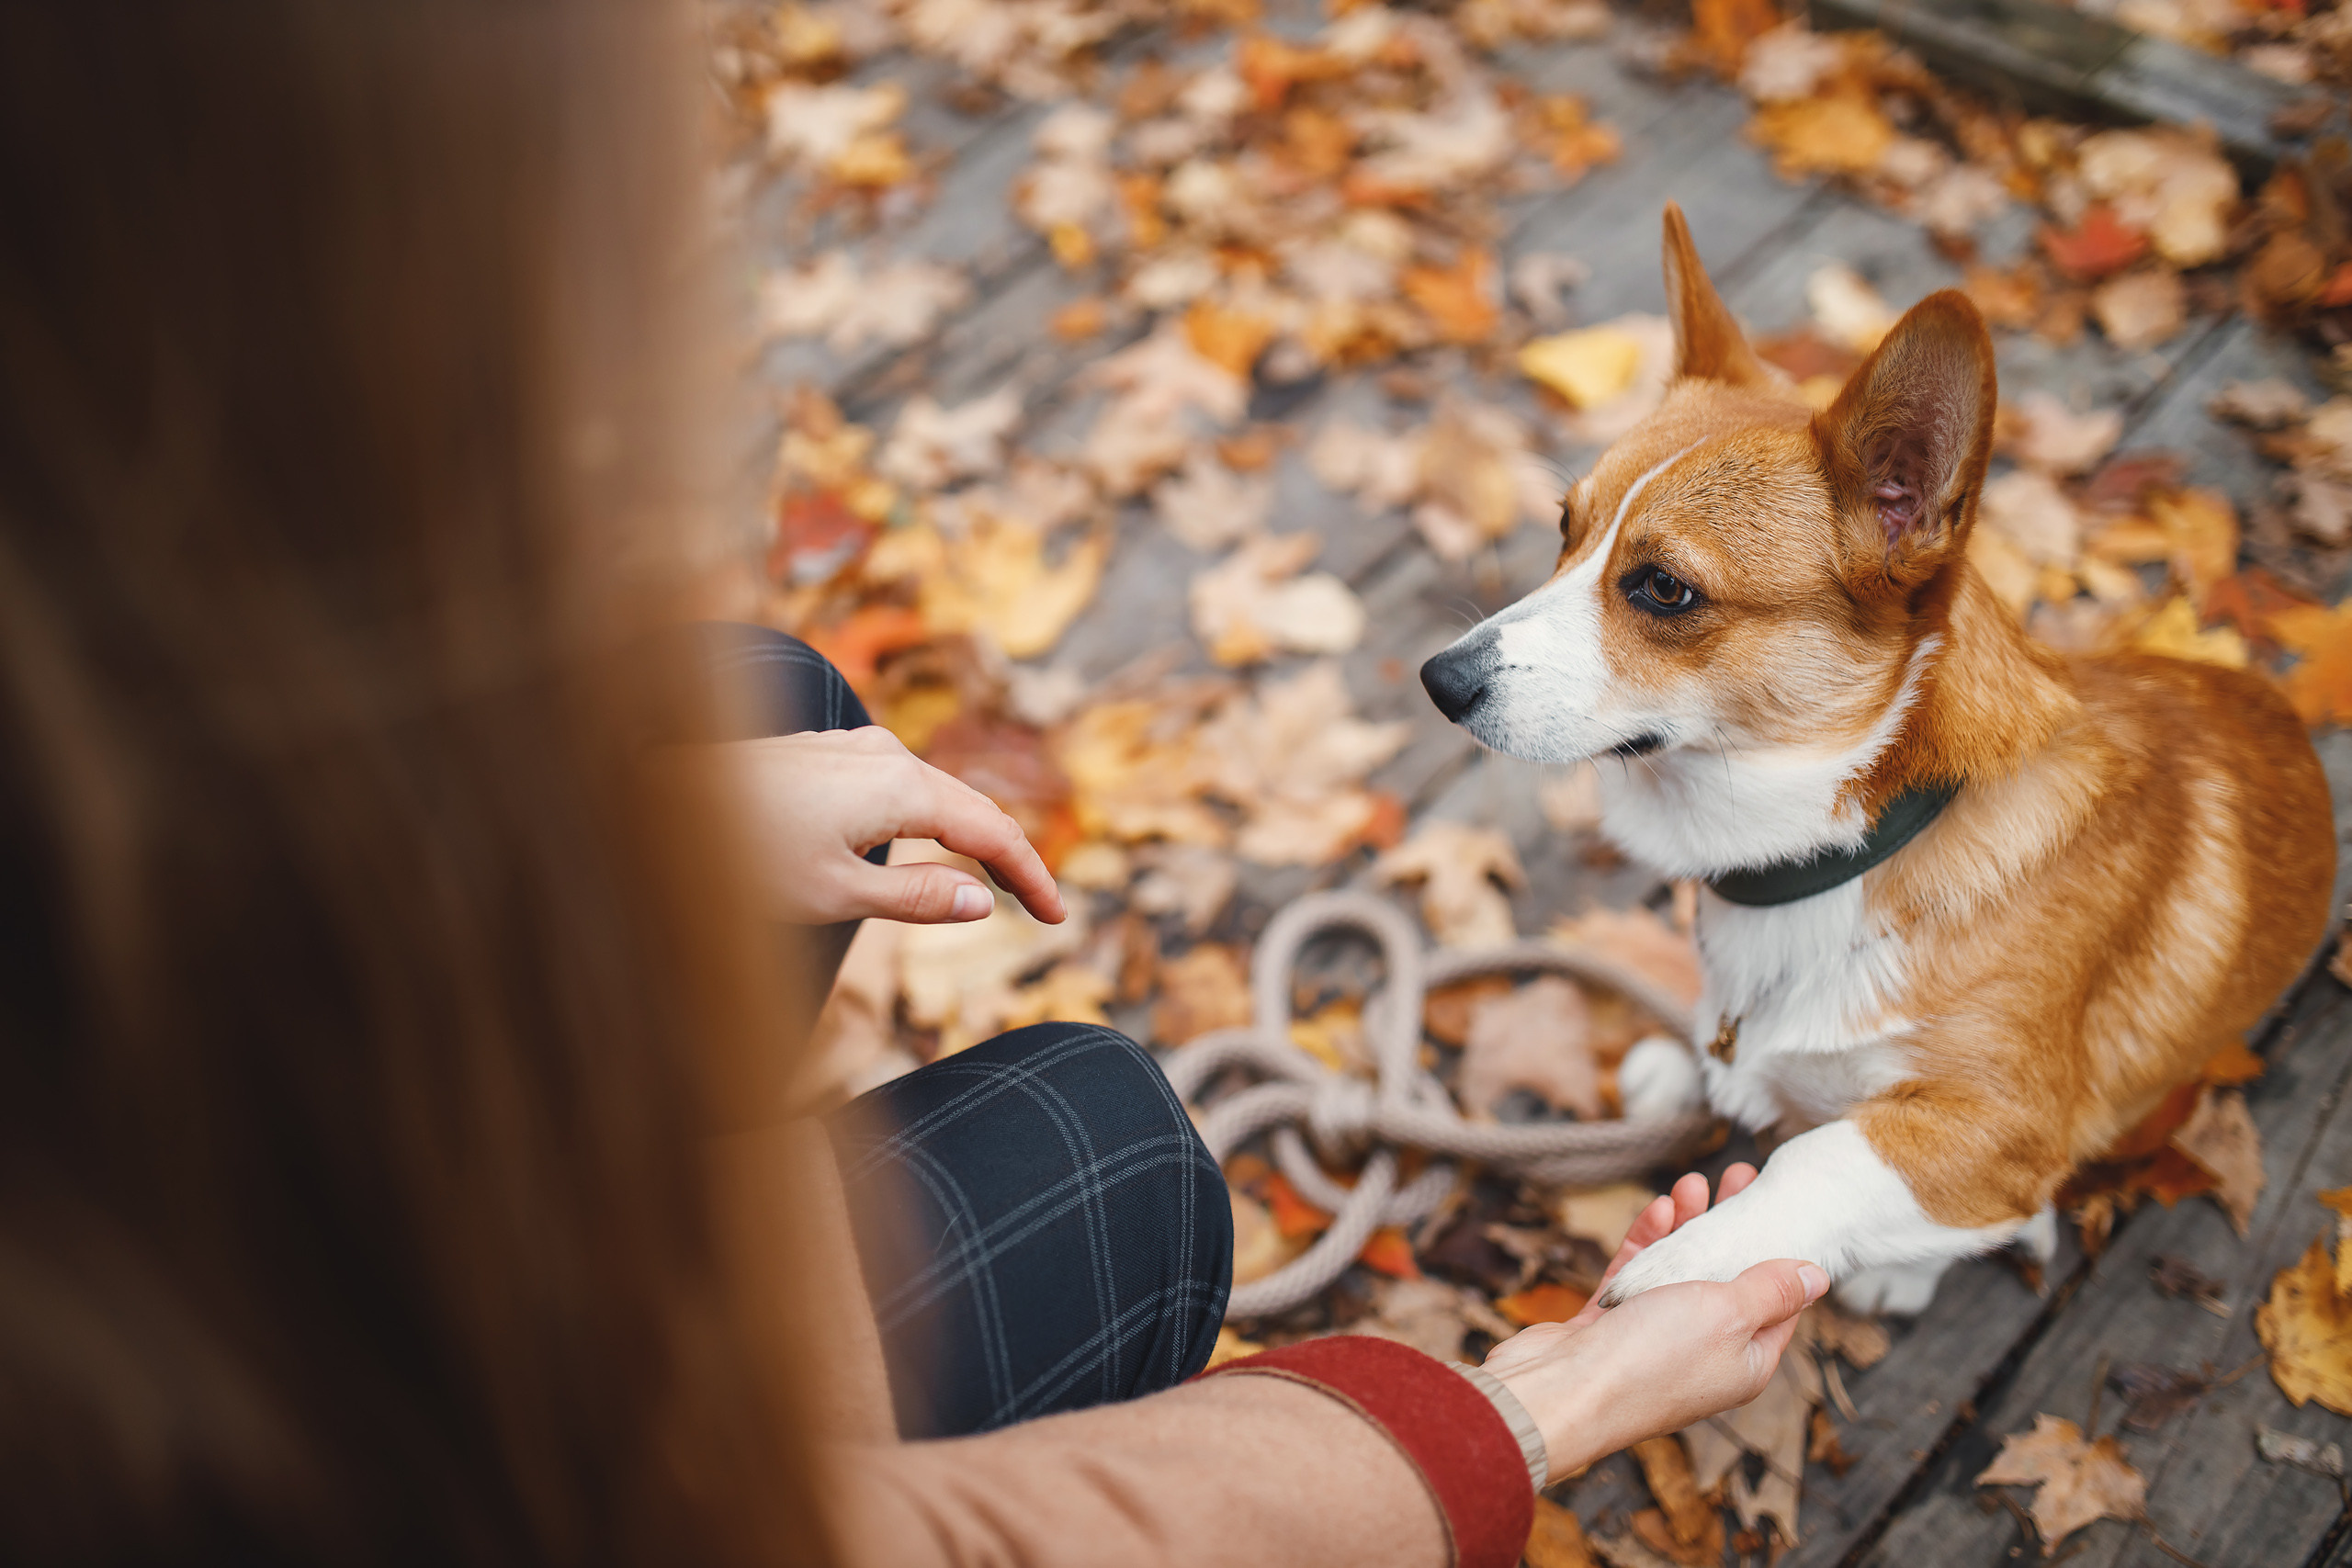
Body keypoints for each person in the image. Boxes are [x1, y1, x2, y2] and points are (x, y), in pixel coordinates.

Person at [0, 3, 1828, 1565]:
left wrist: (634, 831)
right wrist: (1525, 1411)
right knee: (1120, 1147)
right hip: (461, 1429)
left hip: (264, 1193)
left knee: (767, 711)